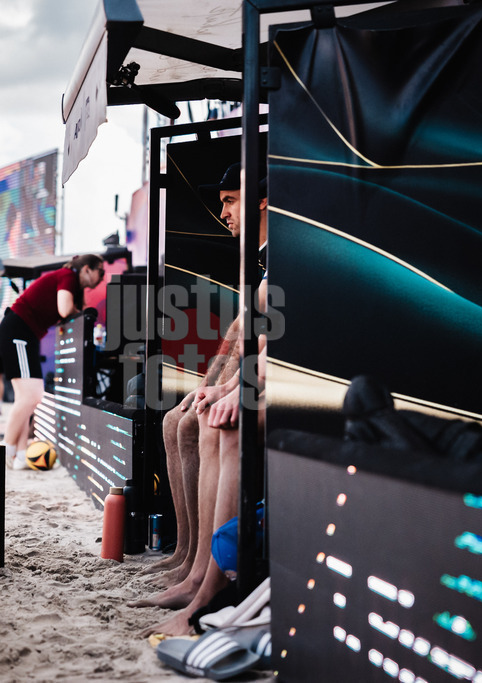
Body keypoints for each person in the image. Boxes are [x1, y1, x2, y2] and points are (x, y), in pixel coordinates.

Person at [134, 163, 270, 637]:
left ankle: (211, 588)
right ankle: (190, 562)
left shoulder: (291, 250)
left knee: (219, 427)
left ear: (260, 202)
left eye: (230, 201)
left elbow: (284, 341)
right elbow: (243, 334)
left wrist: (239, 390)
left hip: (308, 389)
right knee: (181, 418)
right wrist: (218, 383)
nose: (223, 213)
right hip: (271, 379)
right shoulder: (262, 258)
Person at [0, 254, 105, 470]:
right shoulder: (67, 276)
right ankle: (4, 449)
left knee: (26, 398)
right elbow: (64, 310)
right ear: (86, 269)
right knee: (32, 396)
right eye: (100, 272)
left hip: (24, 333)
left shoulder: (70, 281)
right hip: (18, 331)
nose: (101, 278)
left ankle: (19, 455)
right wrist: (81, 313)